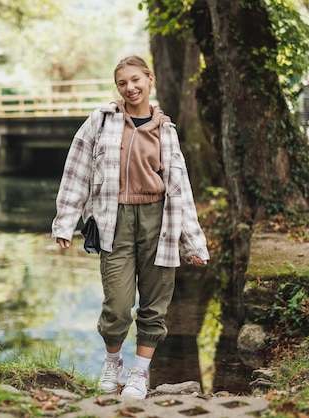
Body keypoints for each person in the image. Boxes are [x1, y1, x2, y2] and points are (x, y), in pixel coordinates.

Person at [51, 56, 210, 399]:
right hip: (114, 220)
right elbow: (76, 170)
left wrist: (194, 243)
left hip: (158, 222)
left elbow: (180, 188)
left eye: (136, 80)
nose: (130, 88)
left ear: (150, 79)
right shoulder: (101, 121)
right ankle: (112, 363)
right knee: (118, 306)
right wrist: (65, 222)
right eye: (122, 83)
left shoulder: (166, 131)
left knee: (154, 305)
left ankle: (139, 373)